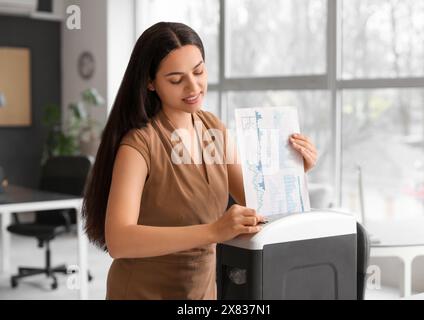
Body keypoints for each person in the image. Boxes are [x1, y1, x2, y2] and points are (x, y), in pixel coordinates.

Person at [82, 22, 318, 300]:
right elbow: (119, 241)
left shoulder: (213, 129)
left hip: (201, 292)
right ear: (150, 82)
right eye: (176, 79)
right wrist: (213, 231)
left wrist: (296, 170)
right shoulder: (138, 145)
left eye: (199, 71)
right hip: (141, 292)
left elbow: (256, 205)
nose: (193, 87)